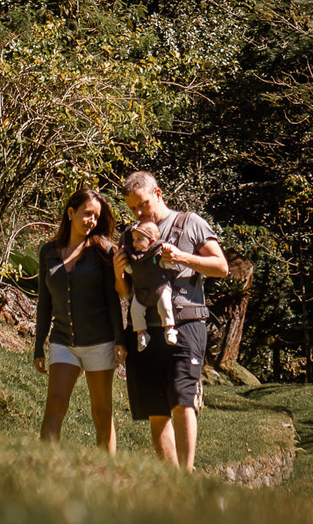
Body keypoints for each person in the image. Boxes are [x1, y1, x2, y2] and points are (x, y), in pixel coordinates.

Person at [113, 171, 229, 472]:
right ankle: (173, 484)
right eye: (132, 209)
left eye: (142, 205)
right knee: (155, 410)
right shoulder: (130, 236)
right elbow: (126, 293)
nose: (138, 213)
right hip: (144, 331)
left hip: (185, 324)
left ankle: (186, 476)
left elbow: (221, 267)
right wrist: (117, 274)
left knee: (181, 398)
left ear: (158, 193)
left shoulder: (190, 223)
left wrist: (182, 257)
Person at [34, 185, 126, 452]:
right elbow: (45, 302)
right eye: (87, 214)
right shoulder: (48, 252)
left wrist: (120, 339)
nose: (92, 221)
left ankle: (104, 478)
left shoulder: (103, 251)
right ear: (71, 212)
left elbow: (113, 300)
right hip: (63, 343)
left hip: (100, 343)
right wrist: (39, 344)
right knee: (55, 405)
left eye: (96, 217)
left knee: (101, 413)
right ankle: (45, 471)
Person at [121, 218, 178, 349]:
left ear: (151, 241)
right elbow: (130, 269)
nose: (134, 243)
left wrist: (169, 258)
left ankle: (169, 328)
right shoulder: (133, 257)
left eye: (139, 239)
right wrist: (124, 266)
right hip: (141, 291)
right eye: (134, 239)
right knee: (135, 310)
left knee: (165, 305)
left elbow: (166, 265)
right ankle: (141, 333)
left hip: (159, 288)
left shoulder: (157, 254)